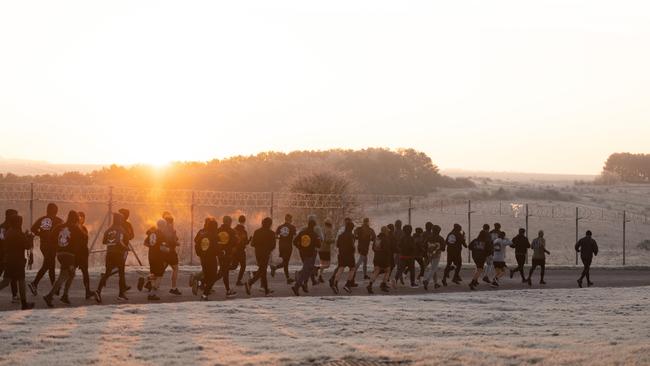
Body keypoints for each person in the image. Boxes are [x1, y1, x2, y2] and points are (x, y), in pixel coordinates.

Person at [43, 210, 86, 307]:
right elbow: (83, 238)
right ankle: (49, 296)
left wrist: (57, 247)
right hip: (69, 255)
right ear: (75, 219)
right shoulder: (76, 228)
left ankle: (65, 295)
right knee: (63, 276)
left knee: (71, 274)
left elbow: (51, 238)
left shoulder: (59, 227)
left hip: (60, 254)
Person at [0, 214, 35, 310]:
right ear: (18, 223)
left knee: (6, 281)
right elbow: (27, 245)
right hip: (17, 261)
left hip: (9, 260)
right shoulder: (18, 233)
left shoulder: (9, 232)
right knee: (21, 281)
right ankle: (24, 304)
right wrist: (30, 237)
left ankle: (24, 303)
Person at [29, 203, 64, 295]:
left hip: (43, 245)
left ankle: (54, 287)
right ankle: (35, 283)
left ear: (47, 210)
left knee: (50, 264)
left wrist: (40, 234)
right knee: (48, 264)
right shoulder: (58, 220)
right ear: (56, 211)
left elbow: (32, 229)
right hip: (53, 246)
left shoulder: (41, 220)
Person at [95, 212, 130, 303]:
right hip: (118, 254)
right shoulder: (121, 229)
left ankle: (98, 291)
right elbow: (121, 241)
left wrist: (111, 243)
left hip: (109, 253)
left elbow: (104, 241)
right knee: (121, 274)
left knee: (107, 272)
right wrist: (126, 248)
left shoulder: (108, 230)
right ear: (120, 220)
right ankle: (121, 294)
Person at [245, 217, 276, 296]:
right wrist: (267, 248)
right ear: (270, 224)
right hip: (266, 254)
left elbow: (252, 244)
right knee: (263, 270)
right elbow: (273, 246)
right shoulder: (272, 233)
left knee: (263, 271)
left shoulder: (257, 232)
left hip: (258, 253)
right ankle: (250, 282)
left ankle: (266, 290)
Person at [290, 217, 321, 296]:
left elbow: (294, 242)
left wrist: (300, 247)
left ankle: (303, 284)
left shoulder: (302, 232)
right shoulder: (314, 234)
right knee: (306, 270)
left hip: (302, 253)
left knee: (309, 269)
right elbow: (319, 245)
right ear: (314, 226)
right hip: (310, 254)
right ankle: (297, 286)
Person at [195, 218, 219, 300]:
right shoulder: (214, 236)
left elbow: (196, 245)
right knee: (213, 277)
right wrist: (221, 253)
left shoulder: (202, 235)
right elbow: (216, 249)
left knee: (208, 276)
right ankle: (204, 294)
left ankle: (199, 284)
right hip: (211, 259)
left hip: (203, 259)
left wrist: (200, 254)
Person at [331, 221, 356, 294]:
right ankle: (347, 284)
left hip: (341, 254)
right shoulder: (351, 235)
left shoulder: (341, 235)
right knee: (352, 269)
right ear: (351, 228)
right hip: (349, 255)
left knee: (341, 268)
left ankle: (335, 283)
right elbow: (352, 246)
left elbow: (337, 245)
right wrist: (353, 250)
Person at [270, 214, 296, 284]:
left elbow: (275, 236)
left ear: (285, 219)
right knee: (286, 262)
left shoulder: (280, 227)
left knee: (285, 262)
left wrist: (280, 238)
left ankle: (288, 278)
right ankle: (275, 267)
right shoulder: (292, 227)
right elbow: (294, 238)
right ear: (290, 219)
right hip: (288, 246)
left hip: (281, 246)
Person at [0, 209, 19, 302]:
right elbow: (2, 241)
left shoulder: (3, 227)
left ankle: (15, 295)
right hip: (5, 255)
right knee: (11, 277)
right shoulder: (5, 228)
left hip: (5, 255)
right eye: (15, 216)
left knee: (13, 276)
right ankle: (15, 296)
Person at [216, 215, 238, 298]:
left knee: (223, 272)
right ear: (229, 222)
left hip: (220, 254)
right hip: (227, 254)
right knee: (224, 273)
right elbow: (235, 242)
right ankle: (203, 283)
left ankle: (228, 290)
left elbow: (215, 241)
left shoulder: (218, 230)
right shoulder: (231, 231)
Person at [366, 226, 392, 294]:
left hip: (376, 257)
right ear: (385, 231)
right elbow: (387, 250)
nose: (388, 232)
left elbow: (373, 248)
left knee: (376, 271)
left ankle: (370, 285)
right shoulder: (386, 239)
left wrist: (378, 251)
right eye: (387, 231)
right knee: (388, 270)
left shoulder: (377, 238)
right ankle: (383, 284)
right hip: (384, 258)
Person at [162, 212, 182, 295]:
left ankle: (148, 281)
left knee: (160, 270)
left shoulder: (162, 229)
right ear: (170, 222)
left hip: (163, 252)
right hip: (171, 252)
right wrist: (177, 243)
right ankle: (173, 288)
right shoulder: (171, 229)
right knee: (176, 269)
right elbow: (172, 241)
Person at [422, 223, 445, 290]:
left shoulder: (429, 237)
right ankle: (427, 280)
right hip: (436, 255)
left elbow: (424, 245)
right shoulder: (440, 238)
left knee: (429, 268)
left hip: (429, 254)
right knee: (433, 269)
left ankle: (435, 283)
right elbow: (443, 248)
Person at [76, 212, 94, 299]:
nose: (82, 219)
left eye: (83, 217)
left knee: (84, 273)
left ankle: (87, 291)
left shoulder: (83, 228)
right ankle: (61, 291)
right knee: (68, 273)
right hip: (79, 253)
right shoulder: (77, 228)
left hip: (81, 253)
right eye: (80, 217)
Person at [353, 218, 376, 283]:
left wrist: (357, 237)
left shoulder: (359, 229)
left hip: (360, 247)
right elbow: (374, 237)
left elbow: (354, 234)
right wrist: (370, 239)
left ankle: (365, 275)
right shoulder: (370, 230)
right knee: (360, 261)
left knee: (365, 261)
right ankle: (353, 274)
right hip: (365, 247)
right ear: (367, 222)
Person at [317, 218, 335, 283]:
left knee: (322, 263)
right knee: (327, 265)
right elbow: (327, 240)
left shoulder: (322, 229)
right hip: (326, 249)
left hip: (320, 248)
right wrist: (334, 240)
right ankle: (316, 268)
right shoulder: (329, 230)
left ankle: (320, 276)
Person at [392, 220, 405, 286]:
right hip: (400, 252)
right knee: (400, 267)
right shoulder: (403, 232)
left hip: (394, 251)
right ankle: (397, 280)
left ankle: (400, 280)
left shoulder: (394, 232)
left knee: (393, 266)